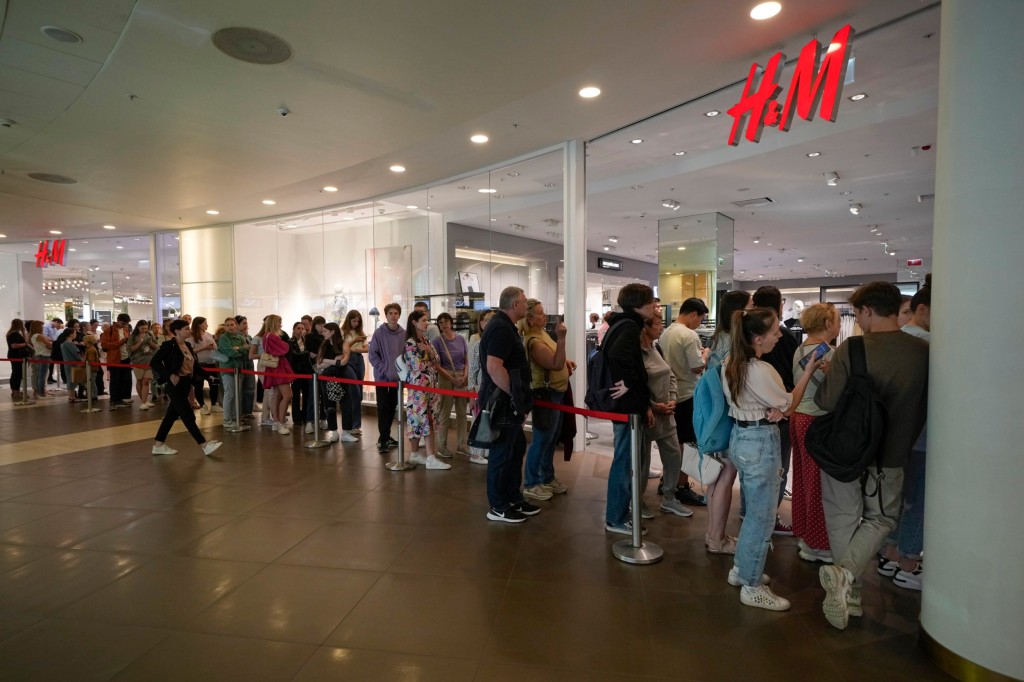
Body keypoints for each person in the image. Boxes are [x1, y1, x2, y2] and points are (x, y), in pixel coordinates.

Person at [815, 281, 929, 631]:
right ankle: (847, 585)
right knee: (882, 519)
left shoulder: (853, 348)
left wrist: (825, 376)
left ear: (866, 310)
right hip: (892, 453)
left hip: (846, 452)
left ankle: (848, 583)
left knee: (842, 520)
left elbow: (827, 402)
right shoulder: (923, 351)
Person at [722, 307, 822, 611]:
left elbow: (777, 405)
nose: (780, 335)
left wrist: (778, 407)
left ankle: (742, 570)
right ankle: (751, 585)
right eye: (775, 331)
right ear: (757, 338)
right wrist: (807, 373)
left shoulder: (730, 363)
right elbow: (789, 404)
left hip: (741, 438)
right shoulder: (760, 370)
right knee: (761, 516)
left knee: (755, 512)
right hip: (760, 442)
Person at [878, 282, 931, 592]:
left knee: (898, 499)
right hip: (920, 435)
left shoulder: (890, 343)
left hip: (892, 436)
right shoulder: (927, 345)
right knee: (918, 500)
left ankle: (891, 554)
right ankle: (909, 563)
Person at [602, 283, 658, 535]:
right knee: (625, 460)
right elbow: (617, 357)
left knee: (625, 459)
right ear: (638, 304)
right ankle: (616, 518)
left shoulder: (622, 323)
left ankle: (619, 514)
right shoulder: (628, 326)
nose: (655, 307)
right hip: (625, 407)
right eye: (650, 303)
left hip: (628, 405)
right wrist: (628, 386)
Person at [788, 303, 841, 564]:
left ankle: (805, 533)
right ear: (829, 324)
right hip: (818, 421)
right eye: (838, 320)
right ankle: (818, 543)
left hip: (798, 417)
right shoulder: (830, 353)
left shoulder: (800, 348)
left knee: (801, 479)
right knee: (819, 485)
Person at [703, 290, 753, 554]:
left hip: (716, 417)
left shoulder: (719, 339)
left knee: (717, 475)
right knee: (725, 475)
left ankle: (713, 534)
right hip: (728, 417)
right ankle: (717, 538)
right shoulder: (732, 344)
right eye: (751, 306)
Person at [751, 285, 801, 535]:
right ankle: (766, 520)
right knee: (775, 471)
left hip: (755, 420)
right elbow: (788, 390)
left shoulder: (744, 352)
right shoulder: (763, 366)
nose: (778, 336)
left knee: (761, 473)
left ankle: (756, 515)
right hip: (772, 415)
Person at [481, 286, 534, 521]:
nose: (527, 305)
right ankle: (498, 505)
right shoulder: (501, 327)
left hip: (507, 401)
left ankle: (512, 497)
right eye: (524, 302)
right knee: (502, 453)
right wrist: (516, 397)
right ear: (515, 305)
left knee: (515, 449)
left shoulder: (504, 326)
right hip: (503, 402)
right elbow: (494, 367)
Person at [639, 313, 692, 517]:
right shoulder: (637, 353)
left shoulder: (656, 347)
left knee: (673, 456)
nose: (662, 327)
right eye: (658, 324)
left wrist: (672, 398)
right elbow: (637, 386)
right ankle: (638, 500)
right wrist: (652, 405)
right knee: (642, 462)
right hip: (648, 415)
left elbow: (670, 374)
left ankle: (670, 497)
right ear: (645, 327)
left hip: (666, 413)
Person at [659, 297, 711, 507]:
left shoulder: (666, 332)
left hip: (671, 394)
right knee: (688, 444)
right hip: (688, 394)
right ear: (692, 315)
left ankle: (667, 481)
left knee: (675, 443)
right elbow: (697, 367)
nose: (700, 323)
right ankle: (680, 486)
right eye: (700, 318)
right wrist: (706, 354)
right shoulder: (689, 335)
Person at [520, 299, 573, 501]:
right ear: (531, 319)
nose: (545, 316)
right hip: (546, 394)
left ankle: (546, 477)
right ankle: (532, 482)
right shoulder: (533, 341)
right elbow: (555, 363)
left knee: (550, 438)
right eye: (541, 313)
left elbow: (559, 360)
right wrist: (561, 339)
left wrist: (566, 362)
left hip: (556, 393)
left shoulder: (542, 334)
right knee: (542, 439)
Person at [150, 320, 222, 457]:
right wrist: (169, 375)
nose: (190, 330)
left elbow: (195, 367)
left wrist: (208, 377)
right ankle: (204, 445)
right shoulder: (169, 346)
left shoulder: (187, 345)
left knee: (171, 416)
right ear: (177, 331)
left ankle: (158, 445)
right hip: (175, 385)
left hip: (186, 383)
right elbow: (154, 362)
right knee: (188, 415)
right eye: (186, 328)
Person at [401, 311, 450, 469]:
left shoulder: (426, 340)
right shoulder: (410, 343)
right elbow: (418, 366)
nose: (427, 322)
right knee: (422, 418)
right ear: (414, 322)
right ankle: (430, 456)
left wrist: (429, 351)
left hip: (430, 386)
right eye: (423, 320)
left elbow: (437, 360)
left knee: (426, 418)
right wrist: (428, 355)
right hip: (419, 388)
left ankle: (415, 454)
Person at [432, 312, 469, 458]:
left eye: (446, 321)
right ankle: (442, 445)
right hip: (446, 377)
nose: (443, 324)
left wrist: (465, 375)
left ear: (451, 322)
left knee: (462, 413)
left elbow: (466, 360)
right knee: (444, 412)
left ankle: (462, 444)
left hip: (461, 376)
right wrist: (451, 378)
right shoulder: (437, 341)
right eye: (440, 322)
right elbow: (436, 365)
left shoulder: (460, 339)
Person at [368, 303, 404, 453]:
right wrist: (385, 369)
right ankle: (383, 439)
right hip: (382, 378)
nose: (393, 316)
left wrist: (401, 373)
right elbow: (373, 355)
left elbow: (406, 356)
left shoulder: (404, 333)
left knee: (391, 407)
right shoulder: (378, 333)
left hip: (398, 380)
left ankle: (385, 435)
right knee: (382, 407)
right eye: (390, 313)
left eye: (396, 313)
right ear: (386, 315)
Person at [314, 322, 359, 443]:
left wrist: (327, 361)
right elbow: (319, 364)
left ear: (332, 331)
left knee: (346, 402)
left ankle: (346, 431)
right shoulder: (323, 345)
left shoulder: (343, 344)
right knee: (329, 404)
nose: (323, 333)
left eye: (325, 331)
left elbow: (344, 362)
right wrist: (334, 360)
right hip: (327, 376)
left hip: (342, 375)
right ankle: (333, 431)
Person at [465, 309, 495, 465]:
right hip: (481, 388)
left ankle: (487, 450)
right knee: (479, 419)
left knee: (490, 419)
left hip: (493, 389)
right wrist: (471, 392)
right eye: (487, 322)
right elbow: (473, 369)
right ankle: (476, 452)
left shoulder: (495, 343)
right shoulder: (478, 344)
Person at [258, 314, 294, 435]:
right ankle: (280, 422)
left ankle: (276, 421)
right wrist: (287, 345)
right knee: (287, 395)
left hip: (275, 367)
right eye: (279, 322)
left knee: (277, 395)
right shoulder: (271, 336)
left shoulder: (267, 335)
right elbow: (284, 348)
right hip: (278, 368)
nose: (281, 324)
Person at [217, 317, 249, 428]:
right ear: (224, 327)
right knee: (229, 394)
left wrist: (238, 349)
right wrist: (240, 350)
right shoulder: (223, 338)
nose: (230, 327)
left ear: (236, 325)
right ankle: (227, 420)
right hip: (228, 369)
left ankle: (236, 418)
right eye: (227, 325)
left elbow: (247, 351)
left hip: (239, 369)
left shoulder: (240, 337)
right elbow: (228, 351)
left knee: (237, 394)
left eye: (232, 324)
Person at [340, 310, 369, 436]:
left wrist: (356, 348)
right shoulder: (342, 332)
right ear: (349, 320)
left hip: (359, 359)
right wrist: (354, 343)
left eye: (358, 321)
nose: (356, 323)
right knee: (354, 392)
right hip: (348, 360)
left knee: (359, 392)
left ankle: (356, 425)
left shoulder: (361, 332)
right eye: (354, 321)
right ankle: (351, 424)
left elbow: (367, 349)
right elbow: (343, 348)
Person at [187, 317, 221, 415]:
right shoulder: (191, 337)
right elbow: (191, 350)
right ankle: (202, 405)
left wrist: (213, 347)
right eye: (205, 323)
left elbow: (215, 346)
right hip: (200, 364)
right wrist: (204, 348)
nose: (207, 325)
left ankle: (214, 404)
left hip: (211, 363)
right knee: (199, 385)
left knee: (214, 384)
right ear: (199, 324)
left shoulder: (209, 335)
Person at [100, 313, 133, 408]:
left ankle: (121, 398)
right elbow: (105, 345)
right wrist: (121, 342)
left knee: (124, 379)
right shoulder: (109, 330)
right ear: (118, 320)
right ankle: (114, 399)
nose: (124, 325)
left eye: (126, 323)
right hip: (114, 359)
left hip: (125, 358)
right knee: (115, 380)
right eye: (123, 323)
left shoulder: (126, 329)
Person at [128, 320, 160, 410]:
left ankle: (144, 401)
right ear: (138, 327)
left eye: (146, 328)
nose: (144, 330)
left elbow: (156, 346)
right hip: (137, 361)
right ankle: (143, 401)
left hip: (149, 361)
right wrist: (140, 342)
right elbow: (131, 349)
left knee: (146, 381)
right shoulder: (133, 337)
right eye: (142, 328)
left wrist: (150, 343)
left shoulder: (150, 335)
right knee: (139, 381)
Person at [287, 321, 312, 433]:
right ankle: (296, 418)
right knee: (296, 395)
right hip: (296, 371)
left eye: (302, 329)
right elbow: (293, 356)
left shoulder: (306, 341)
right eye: (298, 328)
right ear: (294, 329)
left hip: (306, 371)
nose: (301, 331)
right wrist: (307, 354)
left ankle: (306, 417)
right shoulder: (290, 342)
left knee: (306, 395)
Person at [5, 319, 32, 402]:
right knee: (16, 374)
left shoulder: (14, 333)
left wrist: (23, 333)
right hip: (16, 356)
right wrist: (25, 344)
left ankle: (16, 391)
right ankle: (15, 392)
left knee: (18, 374)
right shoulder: (14, 334)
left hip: (16, 355)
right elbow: (14, 345)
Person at [59, 321, 85, 403]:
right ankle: (72, 397)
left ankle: (72, 396)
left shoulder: (64, 344)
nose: (76, 334)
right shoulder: (69, 344)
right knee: (72, 380)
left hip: (68, 363)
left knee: (70, 379)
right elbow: (76, 355)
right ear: (70, 334)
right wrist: (83, 360)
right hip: (72, 364)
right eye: (74, 333)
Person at [28, 319, 53, 399]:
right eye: (41, 326)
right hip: (44, 355)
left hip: (40, 355)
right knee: (42, 375)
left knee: (40, 374)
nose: (43, 327)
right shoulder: (38, 335)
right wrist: (50, 344)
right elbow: (49, 345)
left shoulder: (33, 336)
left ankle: (40, 393)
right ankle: (41, 394)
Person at [43, 317, 63, 383]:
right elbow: (44, 336)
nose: (58, 326)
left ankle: (50, 377)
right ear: (56, 321)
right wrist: (53, 340)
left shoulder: (54, 328)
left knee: (52, 362)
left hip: (53, 346)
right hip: (48, 345)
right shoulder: (46, 327)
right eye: (58, 324)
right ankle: (48, 378)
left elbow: (55, 336)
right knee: (49, 363)